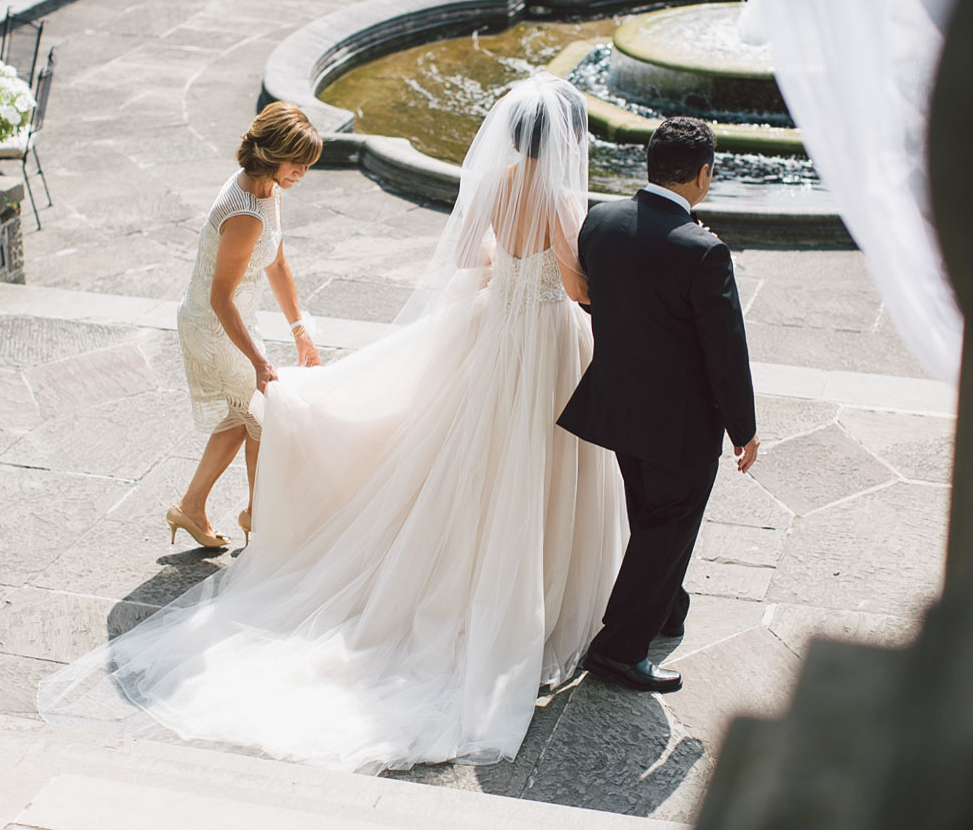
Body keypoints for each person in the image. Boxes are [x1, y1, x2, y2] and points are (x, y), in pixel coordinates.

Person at [38, 75, 627, 774]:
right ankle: (534, 596)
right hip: (546, 343)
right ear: (562, 138)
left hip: (496, 331)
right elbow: (574, 283)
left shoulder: (496, 182)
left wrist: (510, 271)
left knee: (473, 458)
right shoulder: (560, 197)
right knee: (542, 462)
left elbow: (471, 258)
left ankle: (462, 573)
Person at [559, 116, 759, 694]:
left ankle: (666, 609)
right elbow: (726, 352)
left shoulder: (601, 220)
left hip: (620, 404)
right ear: (703, 174)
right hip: (681, 424)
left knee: (650, 515)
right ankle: (620, 650)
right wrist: (743, 429)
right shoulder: (704, 251)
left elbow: (611, 300)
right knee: (667, 527)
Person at [166, 102, 323, 550]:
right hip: (211, 326)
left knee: (243, 417)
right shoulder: (245, 212)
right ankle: (259, 518)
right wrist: (258, 360)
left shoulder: (267, 192)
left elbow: (276, 261)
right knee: (262, 420)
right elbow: (219, 298)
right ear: (274, 154)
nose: (303, 175)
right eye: (299, 164)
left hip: (234, 321)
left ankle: (190, 508)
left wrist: (299, 329)